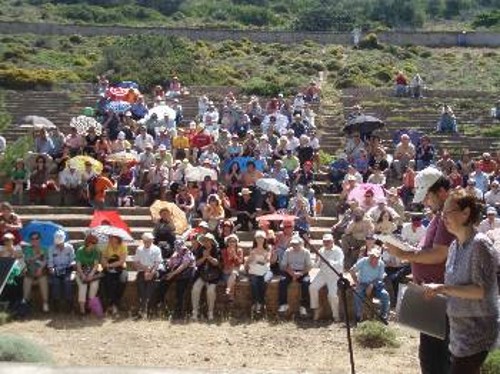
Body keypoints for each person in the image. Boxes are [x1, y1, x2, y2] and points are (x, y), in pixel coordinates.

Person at [386, 166, 455, 374]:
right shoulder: (439, 216)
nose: (426, 202)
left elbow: (440, 253)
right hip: (433, 296)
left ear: (441, 192)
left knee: (436, 358)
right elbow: (431, 250)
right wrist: (412, 251)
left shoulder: (445, 217)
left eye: (428, 197)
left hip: (441, 296)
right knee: (432, 355)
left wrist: (406, 255)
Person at [424, 188, 498, 374]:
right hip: (459, 332)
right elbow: (454, 288)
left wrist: (443, 288)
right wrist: (437, 291)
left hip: (477, 331)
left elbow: (481, 291)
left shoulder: (479, 245)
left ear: (465, 213)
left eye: (448, 212)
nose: (443, 217)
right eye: (442, 213)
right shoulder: (454, 246)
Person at [349, 248, 390, 323]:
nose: (375, 259)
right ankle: (359, 316)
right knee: (357, 294)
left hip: (375, 284)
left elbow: (380, 278)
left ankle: (383, 316)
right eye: (373, 257)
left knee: (385, 295)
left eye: (377, 257)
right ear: (370, 256)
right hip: (362, 283)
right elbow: (352, 270)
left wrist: (371, 285)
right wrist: (356, 282)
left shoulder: (381, 264)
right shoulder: (363, 261)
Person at [309, 234, 344, 321]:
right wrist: (316, 260)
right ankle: (316, 308)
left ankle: (336, 315)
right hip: (323, 273)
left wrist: (329, 262)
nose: (326, 243)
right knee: (312, 288)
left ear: (332, 241)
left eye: (328, 241)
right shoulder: (321, 250)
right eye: (324, 241)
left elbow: (340, 265)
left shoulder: (338, 251)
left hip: (334, 275)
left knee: (332, 295)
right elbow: (317, 265)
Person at [277, 235, 312, 317]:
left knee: (306, 282)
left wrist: (301, 273)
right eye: (293, 244)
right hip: (290, 271)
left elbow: (309, 266)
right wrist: (291, 273)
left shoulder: (306, 252)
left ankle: (304, 307)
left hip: (302, 272)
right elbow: (283, 265)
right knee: (282, 281)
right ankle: (283, 304)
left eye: (296, 244)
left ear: (301, 243)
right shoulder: (288, 251)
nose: (294, 246)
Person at [191, 233, 221, 321]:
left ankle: (210, 312)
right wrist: (204, 257)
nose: (206, 242)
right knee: (195, 289)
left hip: (214, 275)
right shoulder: (200, 249)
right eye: (204, 241)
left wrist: (209, 257)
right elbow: (197, 263)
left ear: (211, 241)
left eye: (208, 240)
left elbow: (217, 263)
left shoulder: (216, 250)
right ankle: (195, 312)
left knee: (210, 291)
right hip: (202, 274)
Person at [134, 232, 162, 319]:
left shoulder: (156, 249)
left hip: (153, 271)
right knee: (141, 289)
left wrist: (151, 272)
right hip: (142, 271)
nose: (150, 242)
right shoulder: (139, 249)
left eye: (151, 240)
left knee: (149, 289)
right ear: (144, 241)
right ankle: (143, 309)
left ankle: (146, 310)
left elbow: (157, 263)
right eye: (147, 240)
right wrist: (145, 268)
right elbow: (136, 263)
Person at [245, 231, 272, 315]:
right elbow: (248, 263)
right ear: (255, 239)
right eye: (258, 238)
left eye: (261, 238)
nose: (260, 240)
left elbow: (266, 261)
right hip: (254, 271)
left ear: (264, 239)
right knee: (254, 282)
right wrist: (250, 260)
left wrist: (257, 260)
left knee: (263, 281)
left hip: (265, 270)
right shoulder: (252, 250)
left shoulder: (268, 249)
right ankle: (258, 303)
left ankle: (259, 303)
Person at [48, 230, 75, 312]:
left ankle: (69, 304)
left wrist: (73, 263)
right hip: (55, 269)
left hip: (67, 269)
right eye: (57, 243)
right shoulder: (51, 248)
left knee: (67, 281)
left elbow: (73, 259)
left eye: (60, 242)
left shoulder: (70, 248)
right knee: (55, 282)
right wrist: (51, 268)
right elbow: (50, 261)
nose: (58, 244)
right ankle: (56, 305)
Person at [22, 232, 50, 312]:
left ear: (40, 239)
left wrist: (40, 268)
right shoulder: (28, 249)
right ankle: (25, 301)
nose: (35, 240)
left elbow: (45, 261)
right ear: (30, 240)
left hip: (41, 271)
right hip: (30, 271)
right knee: (27, 278)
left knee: (43, 278)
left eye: (37, 238)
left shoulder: (44, 248)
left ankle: (45, 303)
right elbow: (27, 261)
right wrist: (37, 256)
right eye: (33, 239)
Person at [75, 234, 101, 316]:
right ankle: (82, 310)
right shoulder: (80, 251)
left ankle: (91, 308)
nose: (95, 245)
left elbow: (96, 265)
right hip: (81, 272)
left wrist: (91, 274)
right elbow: (78, 266)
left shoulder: (96, 251)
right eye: (94, 243)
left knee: (94, 286)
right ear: (88, 243)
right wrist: (82, 275)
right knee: (83, 287)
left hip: (92, 273)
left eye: (96, 243)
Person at [101, 235, 128, 316]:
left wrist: (110, 265)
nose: (112, 241)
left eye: (114, 239)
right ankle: (110, 305)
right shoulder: (106, 245)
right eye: (110, 239)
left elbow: (122, 261)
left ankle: (114, 304)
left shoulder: (123, 246)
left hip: (120, 268)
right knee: (108, 282)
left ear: (118, 239)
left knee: (123, 281)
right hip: (108, 268)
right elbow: (103, 258)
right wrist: (105, 264)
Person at [221, 234, 244, 302]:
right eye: (230, 241)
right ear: (227, 243)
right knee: (231, 277)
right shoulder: (224, 251)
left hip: (235, 270)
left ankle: (228, 290)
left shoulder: (239, 250)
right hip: (226, 270)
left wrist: (234, 255)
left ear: (236, 242)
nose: (232, 243)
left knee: (233, 273)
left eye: (234, 241)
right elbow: (225, 263)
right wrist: (229, 257)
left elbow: (239, 262)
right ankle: (231, 297)